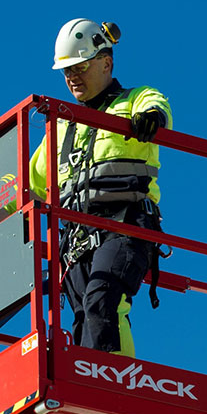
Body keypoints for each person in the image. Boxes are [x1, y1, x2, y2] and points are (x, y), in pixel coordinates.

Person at [28, 19, 172, 357]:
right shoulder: (61, 128)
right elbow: (30, 186)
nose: (72, 77)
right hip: (77, 241)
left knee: (103, 299)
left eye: (79, 67)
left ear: (106, 62)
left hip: (126, 224)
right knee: (83, 320)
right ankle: (89, 380)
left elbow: (158, 106)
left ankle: (112, 382)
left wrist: (152, 119)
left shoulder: (135, 100)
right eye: (66, 71)